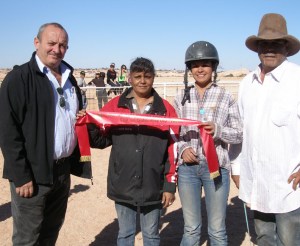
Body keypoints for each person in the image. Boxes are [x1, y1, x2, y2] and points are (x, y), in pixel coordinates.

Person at [0, 22, 91, 245]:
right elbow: (7, 131)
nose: (56, 49)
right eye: (51, 43)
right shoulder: (18, 79)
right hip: (32, 174)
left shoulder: (70, 80)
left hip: (62, 172)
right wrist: (21, 176)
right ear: (37, 42)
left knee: (50, 233)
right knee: (27, 238)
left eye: (62, 45)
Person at [87, 57, 179, 246]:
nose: (142, 81)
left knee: (152, 235)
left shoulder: (166, 110)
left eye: (147, 76)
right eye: (137, 76)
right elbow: (101, 139)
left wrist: (169, 185)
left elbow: (172, 149)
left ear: (154, 78)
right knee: (125, 234)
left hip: (154, 185)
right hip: (123, 183)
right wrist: (88, 123)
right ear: (129, 78)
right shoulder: (115, 106)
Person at [230, 13, 300, 246]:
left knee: (290, 241)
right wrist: (237, 167)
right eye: (264, 44)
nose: (269, 49)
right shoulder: (246, 84)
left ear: (287, 48)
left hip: (288, 184)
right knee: (263, 238)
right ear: (257, 47)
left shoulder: (297, 80)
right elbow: (240, 130)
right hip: (256, 181)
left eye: (276, 43)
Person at [173, 41, 243, 245]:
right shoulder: (180, 97)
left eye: (205, 64)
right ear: (190, 69)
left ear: (213, 67)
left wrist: (219, 131)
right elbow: (173, 132)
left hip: (216, 169)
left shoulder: (226, 96)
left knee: (217, 230)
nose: (200, 69)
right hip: (187, 170)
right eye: (195, 65)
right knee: (191, 229)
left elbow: (239, 134)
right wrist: (183, 148)